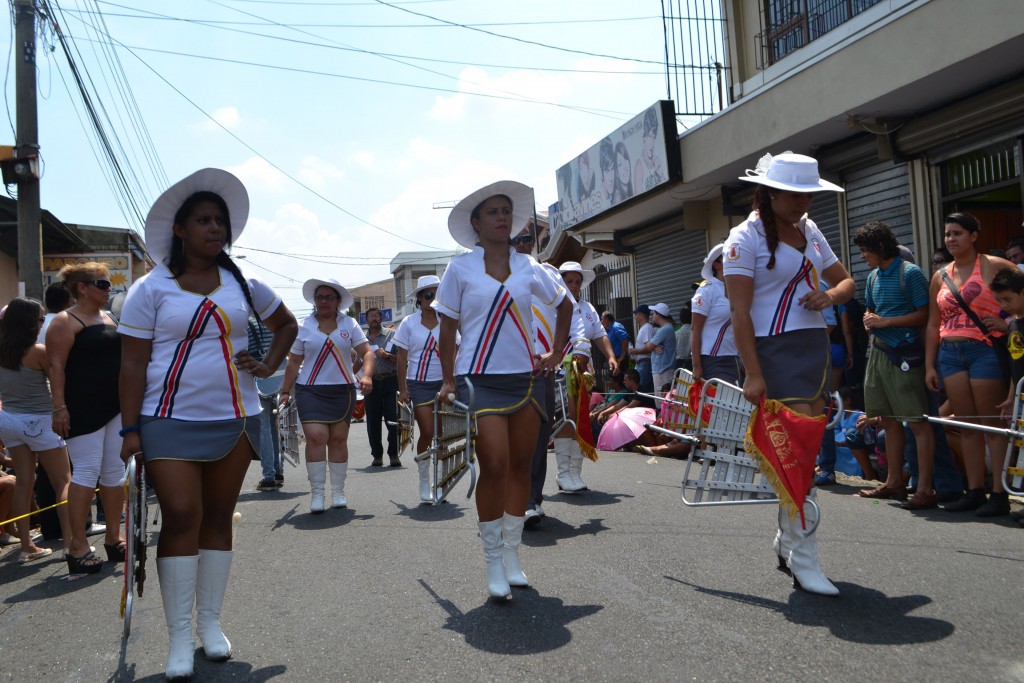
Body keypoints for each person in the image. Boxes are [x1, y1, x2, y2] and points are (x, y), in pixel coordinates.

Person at [119, 169, 298, 680]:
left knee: (218, 518)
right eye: (203, 220)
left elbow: (287, 325)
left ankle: (210, 625)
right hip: (167, 420)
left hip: (236, 419)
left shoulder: (245, 283)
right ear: (180, 229)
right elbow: (132, 364)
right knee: (180, 514)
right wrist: (129, 430)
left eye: (220, 221)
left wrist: (268, 366)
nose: (215, 229)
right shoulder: (150, 288)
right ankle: (178, 636)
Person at [434, 180, 571, 600]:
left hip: (526, 379)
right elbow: (447, 328)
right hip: (480, 381)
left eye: (506, 212)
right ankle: (492, 558)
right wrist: (447, 378)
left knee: (520, 467)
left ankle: (513, 555)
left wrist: (555, 352)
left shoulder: (530, 267)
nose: (502, 218)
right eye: (493, 212)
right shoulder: (460, 269)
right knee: (493, 464)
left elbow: (564, 304)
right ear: (476, 223)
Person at [725, 152, 854, 596]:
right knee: (795, 452)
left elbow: (846, 282)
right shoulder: (743, 238)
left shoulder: (811, 230)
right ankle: (805, 558)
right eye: (795, 194)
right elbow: (739, 313)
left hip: (814, 348)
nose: (804, 202)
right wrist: (753, 373)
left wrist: (828, 296)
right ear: (770, 192)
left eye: (810, 194)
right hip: (772, 349)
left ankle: (788, 537)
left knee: (806, 448)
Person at [924, 212, 1016, 517]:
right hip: (949, 352)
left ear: (974, 236)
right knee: (967, 426)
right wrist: (929, 365)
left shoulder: (993, 265)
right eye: (948, 234)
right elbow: (932, 324)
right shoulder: (941, 275)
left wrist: (1009, 325)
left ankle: (999, 493)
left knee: (993, 425)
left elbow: (1019, 295)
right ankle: (975, 490)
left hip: (984, 349)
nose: (951, 239)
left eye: (958, 233)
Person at [846, 222, 936, 507]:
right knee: (888, 420)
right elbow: (871, 309)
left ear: (880, 248)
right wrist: (870, 318)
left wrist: (885, 322)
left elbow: (925, 314)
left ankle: (924, 488)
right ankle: (894, 481)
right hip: (879, 354)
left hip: (905, 355)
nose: (863, 256)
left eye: (865, 250)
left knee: (918, 423)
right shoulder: (872, 277)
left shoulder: (910, 273)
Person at [46, 262, 127, 568]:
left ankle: (113, 538)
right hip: (82, 408)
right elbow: (55, 367)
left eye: (110, 285)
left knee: (113, 474)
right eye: (103, 284)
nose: (109, 290)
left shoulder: (108, 317)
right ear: (82, 287)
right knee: (85, 472)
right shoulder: (64, 321)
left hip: (114, 406)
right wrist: (59, 407)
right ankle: (77, 546)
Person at [508, 228, 585, 525]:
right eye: (516, 240)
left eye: (527, 239)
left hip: (541, 369)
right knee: (505, 437)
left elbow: (573, 313)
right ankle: (506, 495)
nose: (521, 245)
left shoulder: (548, 274)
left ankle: (531, 501)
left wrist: (568, 350)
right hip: (504, 368)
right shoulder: (492, 274)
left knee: (538, 437)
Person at [282, 278, 373, 513]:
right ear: (314, 301)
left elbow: (367, 353)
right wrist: (284, 391)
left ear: (337, 301)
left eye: (328, 297)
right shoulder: (303, 326)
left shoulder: (349, 324)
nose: (323, 301)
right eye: (320, 297)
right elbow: (294, 362)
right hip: (310, 389)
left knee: (338, 439)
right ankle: (318, 493)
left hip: (342, 389)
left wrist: (367, 376)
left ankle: (338, 491)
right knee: (315, 436)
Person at [0, 298, 75, 565]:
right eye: (40, 319)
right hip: (40, 420)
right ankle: (71, 543)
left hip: (8, 419)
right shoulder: (38, 351)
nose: (42, 323)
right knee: (63, 482)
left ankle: (26, 545)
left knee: (23, 482)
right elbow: (59, 382)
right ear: (30, 323)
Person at [556, 261, 619, 492]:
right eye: (568, 280)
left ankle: (575, 473)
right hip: (559, 372)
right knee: (567, 420)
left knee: (580, 420)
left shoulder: (588, 308)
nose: (573, 285)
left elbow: (600, 335)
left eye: (577, 281)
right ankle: (563, 472)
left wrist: (611, 356)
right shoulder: (552, 304)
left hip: (583, 374)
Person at [394, 275, 453, 504]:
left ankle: (440, 482)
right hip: (418, 384)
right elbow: (401, 359)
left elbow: (455, 353)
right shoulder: (408, 322)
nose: (432, 298)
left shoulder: (448, 320)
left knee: (442, 433)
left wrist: (453, 380)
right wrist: (403, 389)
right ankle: (423, 479)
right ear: (419, 298)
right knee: (428, 431)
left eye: (436, 294)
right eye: (428, 294)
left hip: (443, 382)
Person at [989, 267, 1024, 527]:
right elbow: (1016, 368)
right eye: (999, 301)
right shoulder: (1013, 324)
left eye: (1007, 300)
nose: (1003, 306)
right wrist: (1012, 397)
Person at [691, 245, 741, 385]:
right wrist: (696, 366)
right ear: (717, 264)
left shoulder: (739, 289)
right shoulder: (707, 290)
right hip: (712, 360)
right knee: (723, 404)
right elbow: (695, 329)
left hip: (735, 358)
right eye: (730, 257)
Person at [249, 318, 284, 492]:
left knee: (263, 427)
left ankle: (269, 476)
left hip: (258, 377)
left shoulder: (246, 323)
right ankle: (278, 472)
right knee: (274, 426)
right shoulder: (274, 322)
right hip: (278, 375)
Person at [362, 307, 400, 467]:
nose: (374, 319)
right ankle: (377, 455)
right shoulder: (362, 340)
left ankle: (393, 454)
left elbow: (401, 360)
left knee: (393, 419)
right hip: (372, 383)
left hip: (391, 381)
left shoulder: (392, 335)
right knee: (372, 420)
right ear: (366, 319)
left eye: (377, 316)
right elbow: (358, 361)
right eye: (371, 316)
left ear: (381, 318)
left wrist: (387, 355)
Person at [642, 303, 677, 390]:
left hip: (663, 371)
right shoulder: (666, 328)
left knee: (662, 401)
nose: (652, 316)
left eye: (653, 314)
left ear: (659, 315)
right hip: (662, 370)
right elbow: (652, 346)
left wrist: (652, 346)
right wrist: (654, 346)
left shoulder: (665, 329)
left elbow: (649, 346)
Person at [633, 106, 666, 193]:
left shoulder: (657, 161)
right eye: (649, 136)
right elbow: (638, 200)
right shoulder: (639, 166)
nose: (652, 143)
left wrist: (661, 175)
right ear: (644, 137)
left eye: (654, 137)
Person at [627, 305, 655, 392]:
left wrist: (634, 351)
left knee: (642, 391)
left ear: (642, 315)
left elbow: (649, 347)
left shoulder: (647, 327)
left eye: (636, 314)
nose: (635, 317)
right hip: (642, 363)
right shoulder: (644, 328)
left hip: (645, 363)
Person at [600, 311, 629, 379]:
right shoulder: (609, 329)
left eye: (602, 319)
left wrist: (621, 357)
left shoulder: (616, 327)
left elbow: (625, 340)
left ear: (606, 319)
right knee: (613, 379)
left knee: (620, 380)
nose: (601, 321)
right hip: (613, 359)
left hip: (620, 360)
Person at [674, 304, 692, 371]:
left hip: (679, 364)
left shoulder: (676, 333)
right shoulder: (695, 332)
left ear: (681, 320)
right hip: (692, 363)